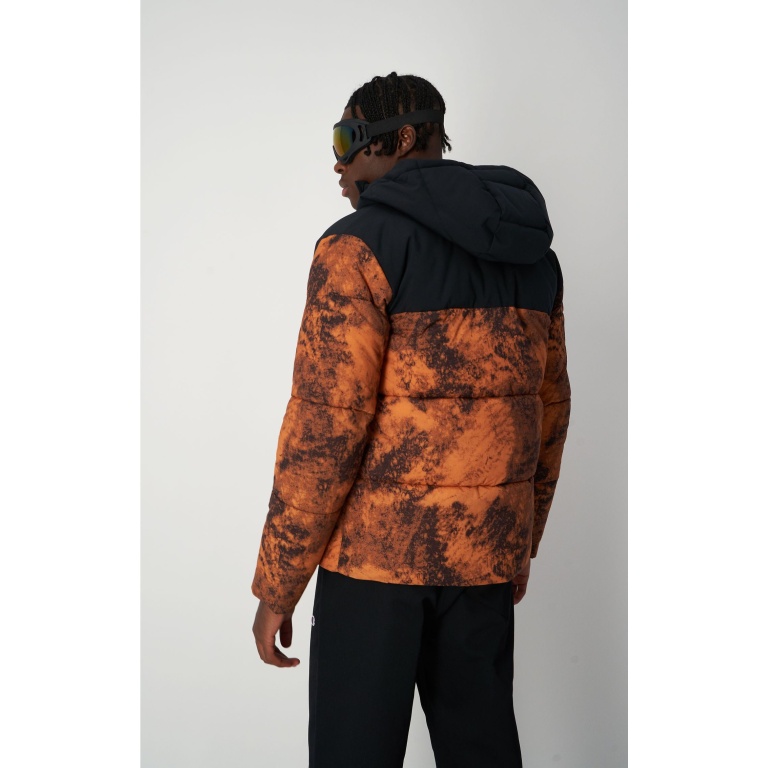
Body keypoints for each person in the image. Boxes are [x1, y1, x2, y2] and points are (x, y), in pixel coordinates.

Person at [251, 72, 571, 767]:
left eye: (348, 140)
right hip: (482, 561)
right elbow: (549, 415)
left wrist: (279, 582)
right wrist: (516, 544)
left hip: (374, 570)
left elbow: (324, 432)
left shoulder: (356, 248)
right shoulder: (532, 256)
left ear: (398, 140)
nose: (338, 163)